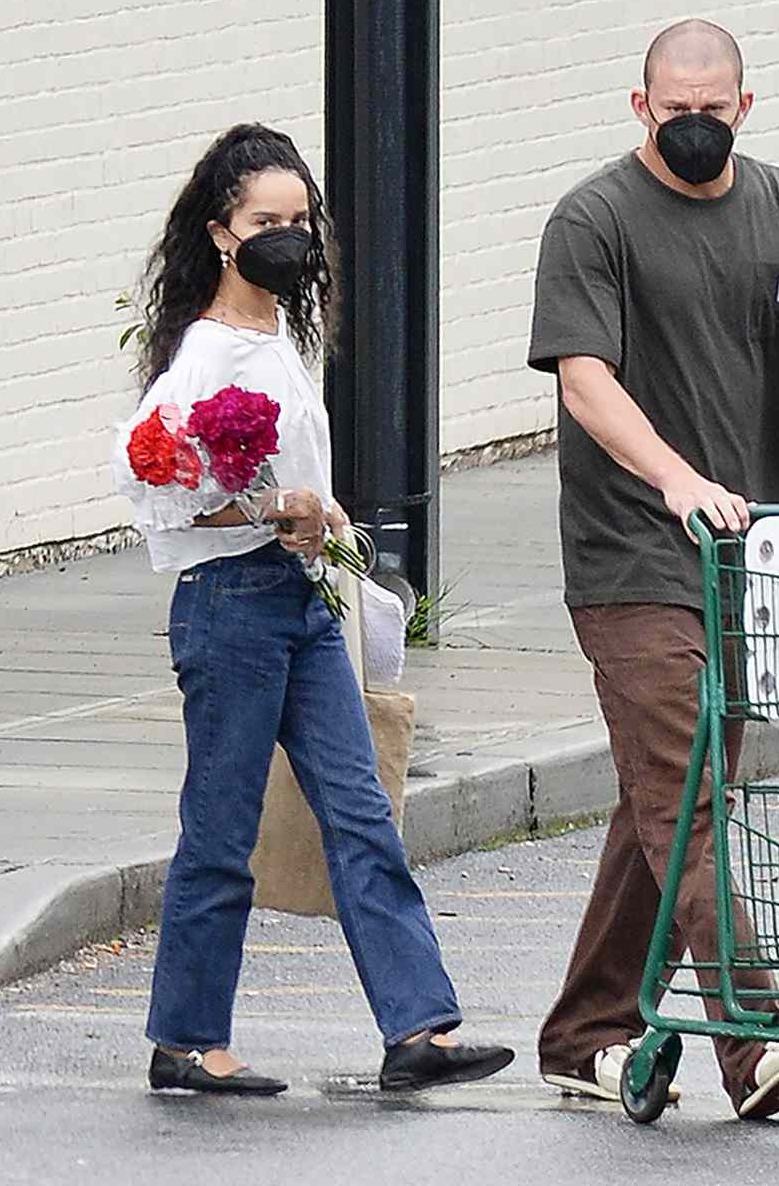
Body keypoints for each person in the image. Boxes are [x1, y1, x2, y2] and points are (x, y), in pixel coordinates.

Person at [527, 21, 779, 1118]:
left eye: (714, 105)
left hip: (751, 558)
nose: (694, 122)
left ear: (748, 105)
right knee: (686, 792)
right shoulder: (592, 220)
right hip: (632, 555)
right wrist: (675, 478)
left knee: (672, 795)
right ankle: (756, 1036)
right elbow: (585, 381)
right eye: (672, 107)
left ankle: (586, 1032)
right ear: (640, 108)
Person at [113, 123, 513, 1096]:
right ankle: (188, 1040)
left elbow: (272, 472)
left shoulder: (275, 336)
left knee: (362, 812)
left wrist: (312, 506)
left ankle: (418, 1027)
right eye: (266, 221)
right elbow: (155, 478)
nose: (287, 236)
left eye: (299, 220)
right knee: (222, 827)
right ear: (220, 232)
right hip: (232, 609)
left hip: (297, 601)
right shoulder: (208, 356)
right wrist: (266, 504)